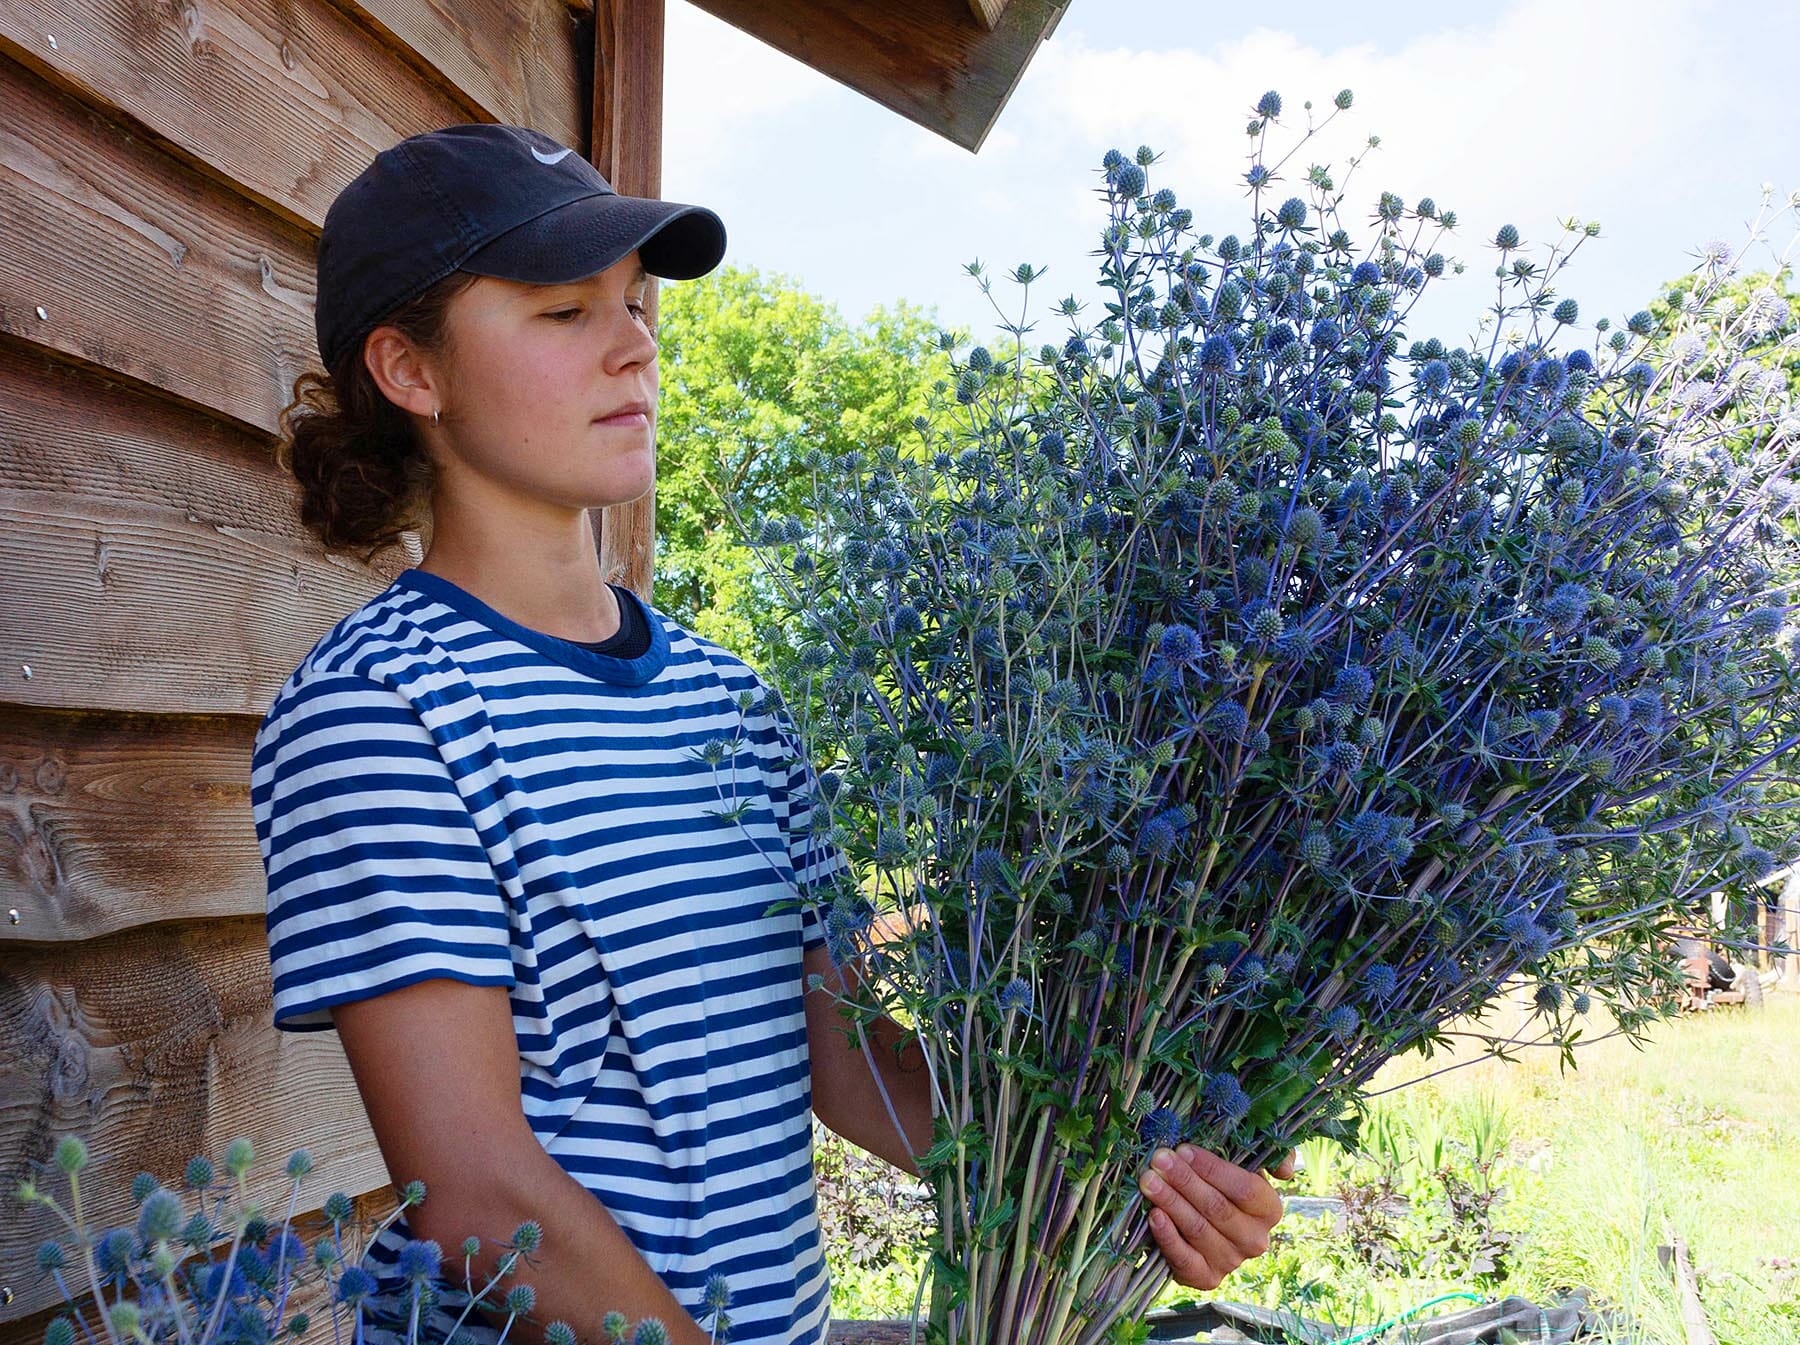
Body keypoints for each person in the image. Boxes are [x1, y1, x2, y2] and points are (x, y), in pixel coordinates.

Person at [251, 123, 1291, 1345]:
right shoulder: (380, 710)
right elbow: (477, 1199)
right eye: (561, 312)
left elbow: (841, 1055)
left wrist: (1122, 1184)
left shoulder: (727, 697)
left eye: (635, 305)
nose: (633, 343)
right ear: (411, 372)